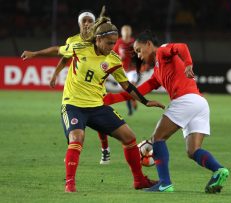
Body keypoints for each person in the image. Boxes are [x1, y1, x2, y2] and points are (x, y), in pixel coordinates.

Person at [21, 19, 165, 192]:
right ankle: (70, 184)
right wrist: (34, 54)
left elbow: (127, 85)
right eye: (108, 42)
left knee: (129, 137)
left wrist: (145, 101)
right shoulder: (80, 48)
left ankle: (139, 180)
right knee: (77, 138)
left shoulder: (113, 60)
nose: (112, 46)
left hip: (97, 107)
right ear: (97, 39)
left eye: (114, 43)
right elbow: (57, 50)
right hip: (73, 105)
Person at [103, 30, 229, 193]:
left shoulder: (162, 51)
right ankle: (219, 170)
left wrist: (188, 63)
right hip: (200, 104)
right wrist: (107, 100)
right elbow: (137, 92)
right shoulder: (157, 72)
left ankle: (165, 183)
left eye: (139, 50)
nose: (139, 56)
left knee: (157, 139)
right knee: (193, 151)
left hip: (185, 100)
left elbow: (181, 47)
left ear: (149, 44)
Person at [23, 9, 112, 165]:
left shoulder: (98, 39)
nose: (87, 23)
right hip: (77, 90)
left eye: (90, 20)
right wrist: (55, 74)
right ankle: (72, 149)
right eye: (84, 21)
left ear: (94, 23)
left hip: (95, 89)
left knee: (101, 124)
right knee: (72, 123)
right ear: (79, 23)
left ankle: (105, 149)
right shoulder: (72, 40)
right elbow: (64, 58)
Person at [113, 25, 138, 116]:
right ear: (122, 32)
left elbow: (138, 53)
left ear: (130, 32)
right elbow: (112, 54)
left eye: (128, 31)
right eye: (125, 31)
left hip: (132, 69)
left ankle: (134, 100)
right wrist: (119, 57)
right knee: (125, 90)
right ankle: (130, 109)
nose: (126, 33)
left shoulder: (133, 42)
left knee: (131, 87)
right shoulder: (118, 42)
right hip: (122, 69)